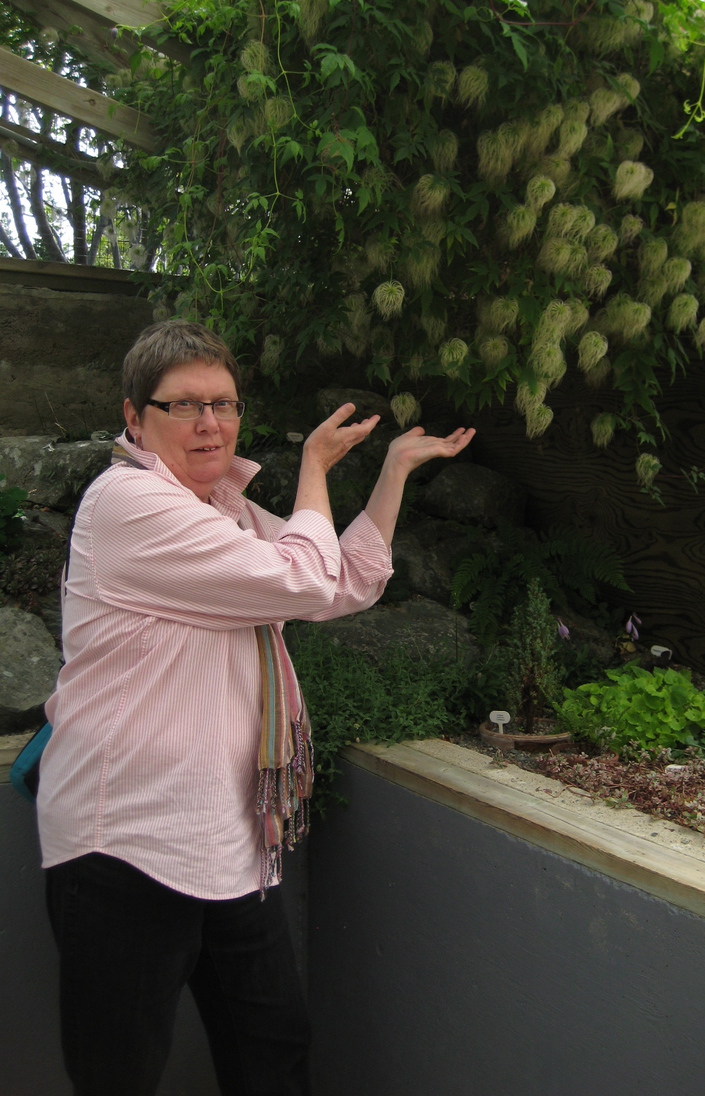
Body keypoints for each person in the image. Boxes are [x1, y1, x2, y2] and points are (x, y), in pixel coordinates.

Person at [37, 319, 475, 1096]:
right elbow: (300, 576)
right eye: (183, 405)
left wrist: (393, 472)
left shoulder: (225, 512)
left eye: (224, 404)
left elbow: (338, 583)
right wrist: (313, 468)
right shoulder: (129, 503)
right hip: (126, 846)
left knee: (272, 1053)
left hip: (229, 842)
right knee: (118, 1074)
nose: (210, 423)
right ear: (134, 416)